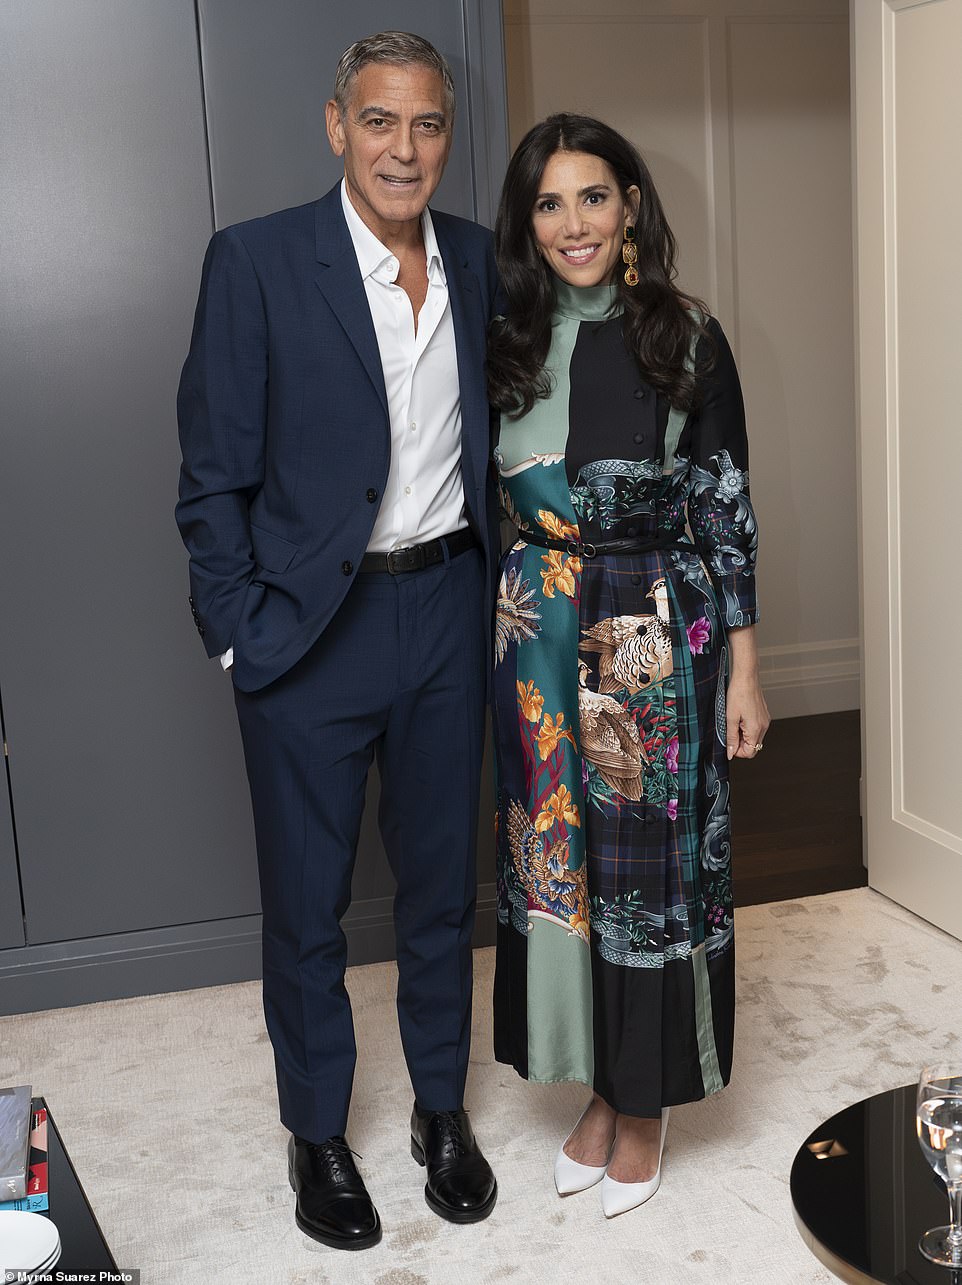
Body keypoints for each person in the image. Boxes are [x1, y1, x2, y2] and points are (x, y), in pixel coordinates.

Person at [175, 32, 500, 1251]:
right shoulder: (256, 262)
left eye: (424, 126)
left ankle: (437, 1111)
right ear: (334, 126)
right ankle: (316, 1132)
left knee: (435, 893)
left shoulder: (476, 260)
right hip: (309, 632)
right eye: (379, 122)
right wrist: (238, 636)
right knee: (307, 909)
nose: (402, 150)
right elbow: (209, 479)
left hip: (447, 614)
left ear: (444, 136)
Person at [487, 114, 770, 1218]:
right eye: (549, 204)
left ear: (630, 205)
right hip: (536, 633)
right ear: (528, 224)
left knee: (645, 876)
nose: (572, 225)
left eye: (592, 197)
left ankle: (643, 1102)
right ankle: (599, 1086)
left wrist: (743, 668)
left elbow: (726, 512)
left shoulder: (681, 338)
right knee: (563, 865)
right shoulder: (508, 341)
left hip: (642, 626)